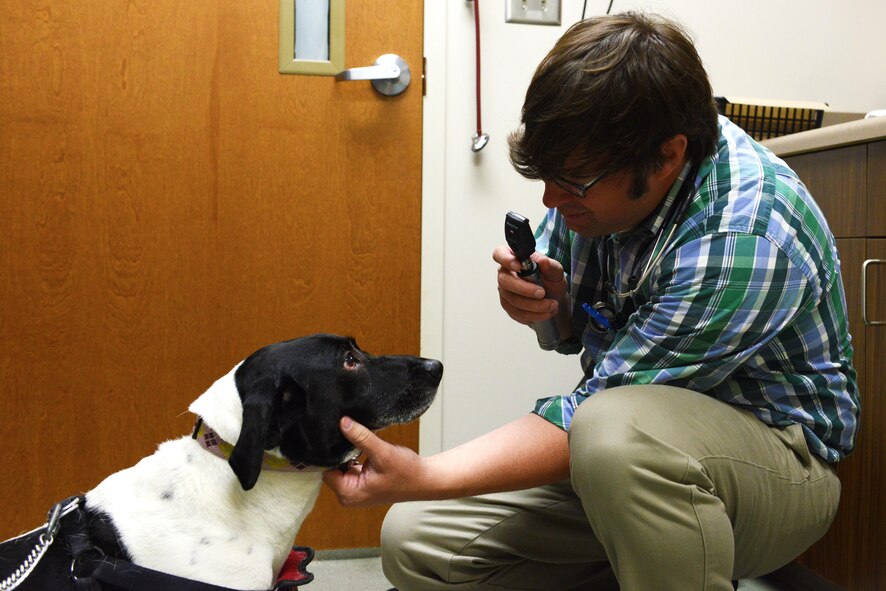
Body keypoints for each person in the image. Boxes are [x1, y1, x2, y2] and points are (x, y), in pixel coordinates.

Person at [323, 11, 859, 591]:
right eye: (547, 175)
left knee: (613, 433)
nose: (552, 199)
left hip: (780, 467)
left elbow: (599, 407)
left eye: (572, 182)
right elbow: (580, 340)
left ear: (667, 156)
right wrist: (549, 310)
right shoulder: (597, 184)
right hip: (638, 460)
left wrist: (424, 471)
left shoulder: (742, 235)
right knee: (416, 539)